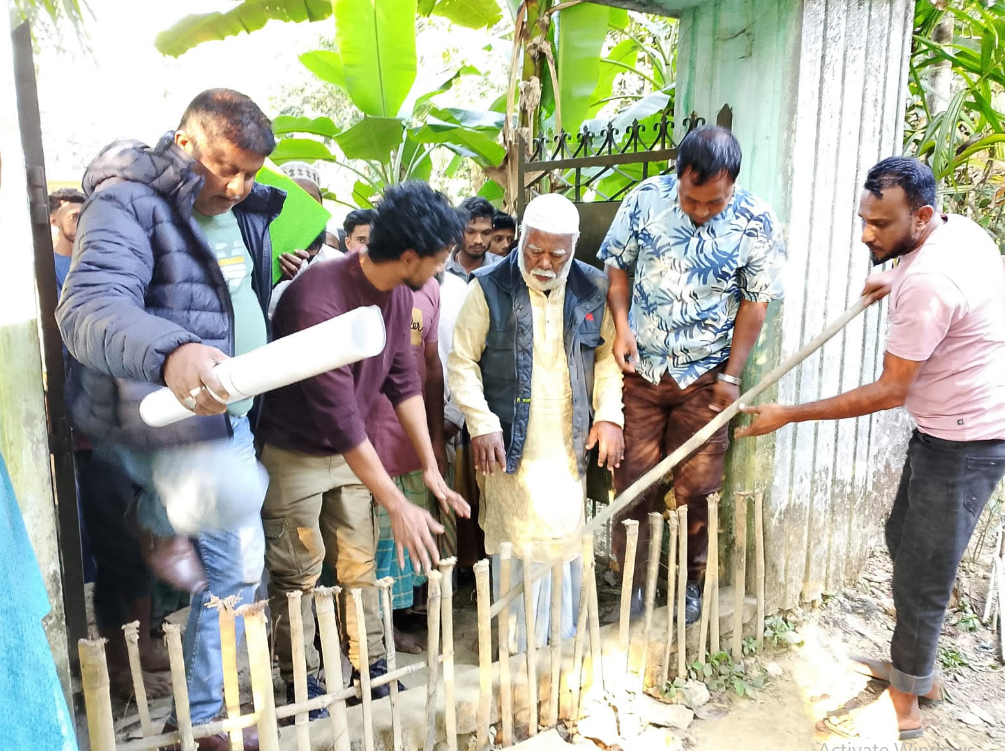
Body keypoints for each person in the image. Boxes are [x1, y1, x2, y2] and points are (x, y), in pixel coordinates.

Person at [737, 157, 1005, 742]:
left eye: (880, 225)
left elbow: (890, 389)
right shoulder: (954, 235)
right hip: (946, 426)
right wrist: (899, 272)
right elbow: (928, 274)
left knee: (924, 569)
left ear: (923, 216)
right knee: (901, 542)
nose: (866, 235)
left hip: (968, 438)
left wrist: (788, 414)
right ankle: (917, 669)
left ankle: (908, 700)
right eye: (865, 219)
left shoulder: (931, 283)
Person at [57, 88, 285, 751]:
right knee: (237, 568)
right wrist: (172, 351)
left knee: (236, 575)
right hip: (169, 420)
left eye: (252, 172)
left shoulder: (245, 211)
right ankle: (212, 720)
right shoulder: (126, 201)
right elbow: (89, 307)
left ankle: (158, 518)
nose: (240, 186)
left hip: (227, 419)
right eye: (226, 167)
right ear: (184, 143)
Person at [258, 181, 470, 709]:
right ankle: (301, 680)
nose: (445, 266)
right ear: (407, 256)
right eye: (440, 257)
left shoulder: (400, 293)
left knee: (360, 565)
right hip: (296, 454)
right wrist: (396, 503)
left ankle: (369, 666)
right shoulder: (315, 298)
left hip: (351, 454)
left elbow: (403, 381)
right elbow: (339, 418)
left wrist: (431, 468)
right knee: (297, 573)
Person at [598, 125, 785, 623]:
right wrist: (621, 328)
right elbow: (617, 268)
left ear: (732, 186)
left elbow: (755, 301)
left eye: (713, 203)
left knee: (695, 489)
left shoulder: (756, 220)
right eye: (691, 199)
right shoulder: (643, 201)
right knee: (633, 482)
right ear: (677, 175)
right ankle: (633, 586)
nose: (701, 211)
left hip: (705, 377)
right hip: (642, 371)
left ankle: (688, 585)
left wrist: (732, 376)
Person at [448, 193, 624, 648]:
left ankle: (559, 641)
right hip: (508, 444)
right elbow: (462, 361)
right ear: (522, 238)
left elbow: (607, 357)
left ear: (573, 248)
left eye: (557, 254)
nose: (544, 262)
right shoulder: (487, 287)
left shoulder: (593, 289)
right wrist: (481, 422)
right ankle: (516, 650)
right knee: (514, 545)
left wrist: (608, 416)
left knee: (563, 542)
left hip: (568, 447)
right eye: (534, 250)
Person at [369, 270, 445, 653]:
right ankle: (376, 630)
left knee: (408, 534)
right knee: (376, 536)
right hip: (366, 434)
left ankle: (394, 622)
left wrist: (434, 440)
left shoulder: (431, 288)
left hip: (409, 436)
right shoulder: (363, 283)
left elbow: (430, 365)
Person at [445, 196, 501, 281]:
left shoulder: (502, 269)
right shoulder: (440, 269)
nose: (478, 241)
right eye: (470, 232)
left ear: (492, 231)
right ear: (458, 229)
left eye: (486, 233)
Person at [48, 187, 84, 293]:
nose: (81, 222)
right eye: (74, 217)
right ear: (54, 221)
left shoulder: (98, 259)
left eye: (84, 216)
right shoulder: (49, 267)